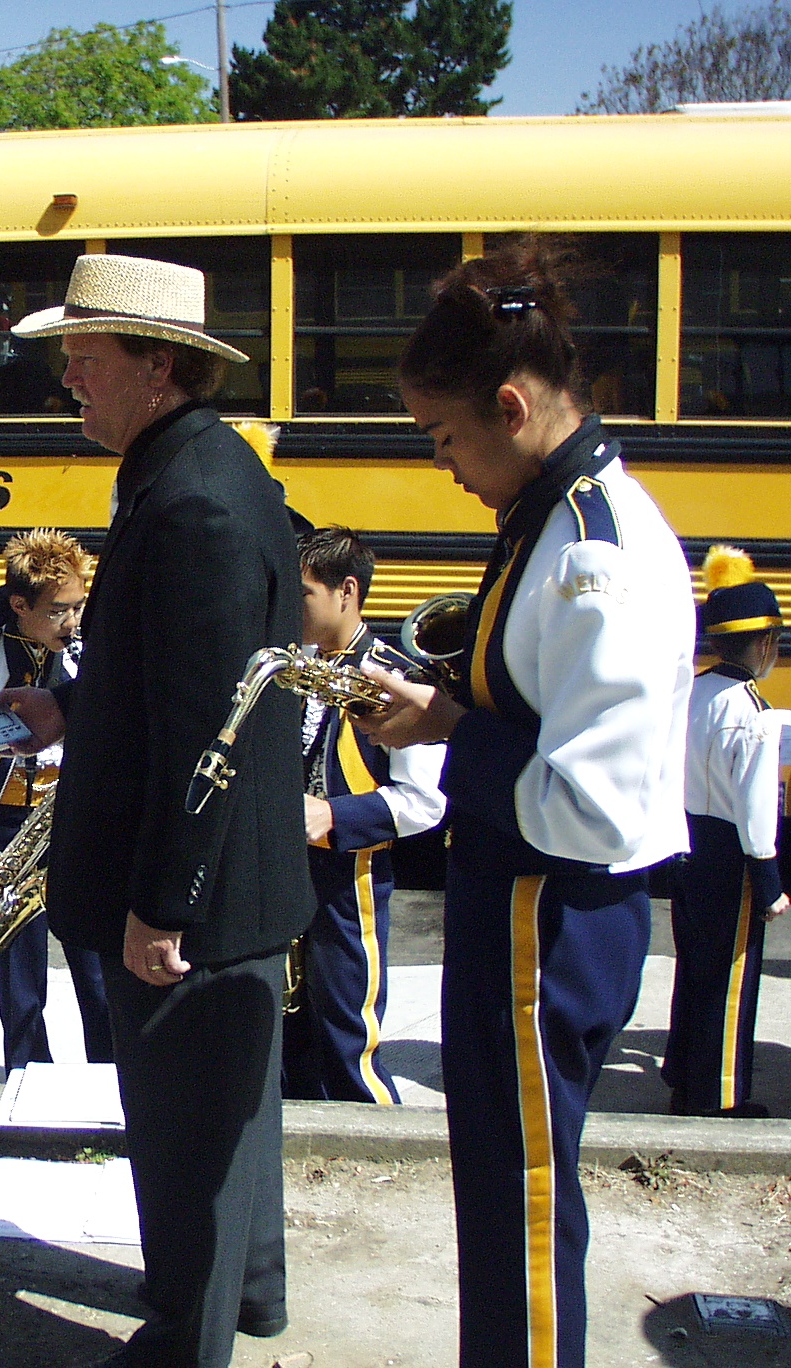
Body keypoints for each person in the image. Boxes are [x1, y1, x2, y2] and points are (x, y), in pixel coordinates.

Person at [355, 238, 694, 1368]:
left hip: (544, 914)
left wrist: (450, 728)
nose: (442, 464)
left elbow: (587, 805)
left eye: (444, 436)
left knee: (524, 1205)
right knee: (503, 1193)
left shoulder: (593, 553)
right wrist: (450, 707)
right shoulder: (555, 517)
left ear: (509, 406)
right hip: (523, 909)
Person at [0, 253, 314, 1368]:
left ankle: (186, 1342)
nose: (68, 381)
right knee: (231, 1121)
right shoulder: (197, 471)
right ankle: (249, 1297)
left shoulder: (192, 505)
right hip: (231, 883)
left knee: (184, 1144)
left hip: (197, 895)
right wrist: (71, 707)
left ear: (157, 366)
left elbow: (201, 740)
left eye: (86, 360)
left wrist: (162, 907)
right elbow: (177, 680)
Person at [283, 525, 445, 1105]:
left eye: (303, 594)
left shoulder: (396, 674)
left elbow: (426, 801)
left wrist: (333, 815)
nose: (291, 608)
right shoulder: (290, 665)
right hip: (283, 872)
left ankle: (372, 1136)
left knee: (346, 1031)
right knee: (288, 1036)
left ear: (346, 591)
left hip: (349, 879)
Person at [0, 528, 112, 1070]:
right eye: (59, 611)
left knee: (97, 967)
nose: (74, 622)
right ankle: (26, 1073)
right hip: (10, 821)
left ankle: (111, 1075)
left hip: (79, 814)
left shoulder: (92, 653)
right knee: (19, 973)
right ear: (19, 606)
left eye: (79, 607)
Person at [663, 544, 789, 1119]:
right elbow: (756, 807)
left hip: (686, 841)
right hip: (730, 853)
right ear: (765, 645)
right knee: (732, 975)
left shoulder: (694, 692)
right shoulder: (751, 711)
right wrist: (768, 881)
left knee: (694, 965)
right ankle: (718, 1095)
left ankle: (683, 1074)